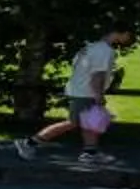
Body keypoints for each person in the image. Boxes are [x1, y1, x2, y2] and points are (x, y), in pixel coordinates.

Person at [19, 27, 132, 165]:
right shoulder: (105, 51)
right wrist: (98, 95)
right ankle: (30, 142)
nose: (128, 39)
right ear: (123, 33)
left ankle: (90, 152)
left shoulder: (89, 47)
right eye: (128, 36)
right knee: (73, 122)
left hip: (80, 90)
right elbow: (98, 75)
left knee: (91, 122)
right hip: (85, 92)